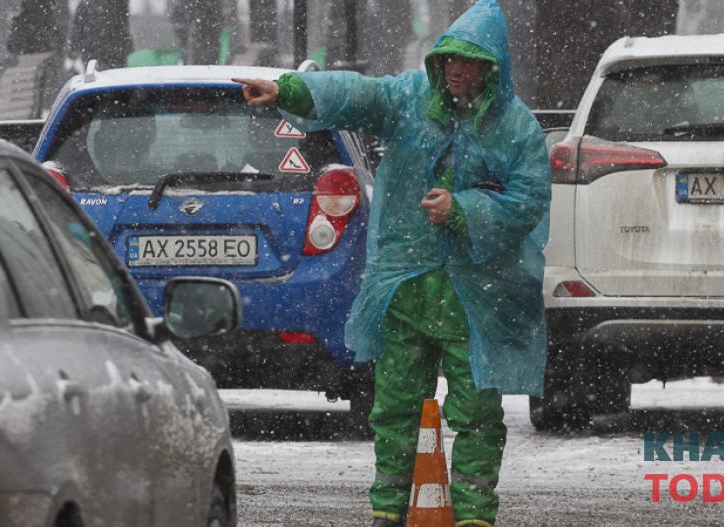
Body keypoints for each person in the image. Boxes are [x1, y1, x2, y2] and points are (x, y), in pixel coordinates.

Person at [236, 1, 551, 525]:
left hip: (475, 298)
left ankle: (475, 515)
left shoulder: (515, 127)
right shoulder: (410, 99)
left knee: (477, 413)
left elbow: (529, 200)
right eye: (448, 59)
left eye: (468, 62)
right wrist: (290, 90)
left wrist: (464, 209)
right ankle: (387, 511)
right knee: (395, 408)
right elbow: (358, 94)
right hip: (406, 292)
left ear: (491, 69)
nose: (454, 70)